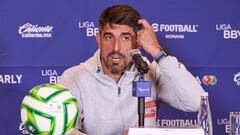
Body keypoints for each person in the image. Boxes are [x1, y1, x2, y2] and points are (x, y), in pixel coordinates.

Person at [59, 4, 204, 135]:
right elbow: (63, 132)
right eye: (109, 37)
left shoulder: (150, 72)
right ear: (99, 39)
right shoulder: (74, 77)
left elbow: (196, 101)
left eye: (125, 38)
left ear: (138, 43)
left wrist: (157, 52)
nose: (116, 48)